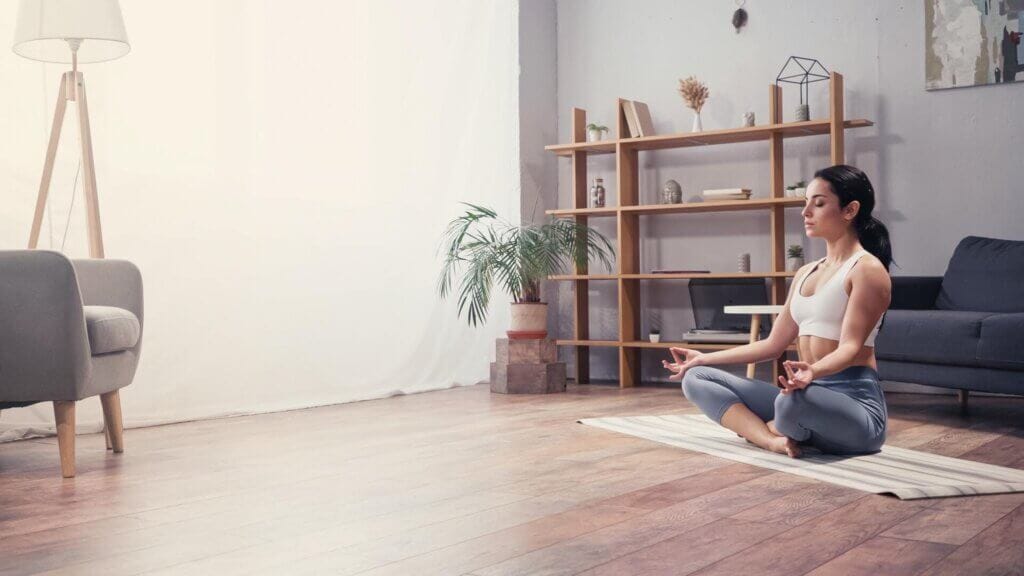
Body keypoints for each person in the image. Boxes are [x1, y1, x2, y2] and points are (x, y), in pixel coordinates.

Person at [663, 165, 892, 458]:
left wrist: (813, 371)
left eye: (818, 203)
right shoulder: (806, 272)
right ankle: (771, 440)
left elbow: (850, 347)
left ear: (850, 210)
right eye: (805, 202)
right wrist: (704, 358)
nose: (805, 212)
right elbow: (773, 345)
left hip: (855, 406)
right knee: (696, 378)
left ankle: (772, 427)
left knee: (788, 403)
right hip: (805, 392)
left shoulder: (866, 269)